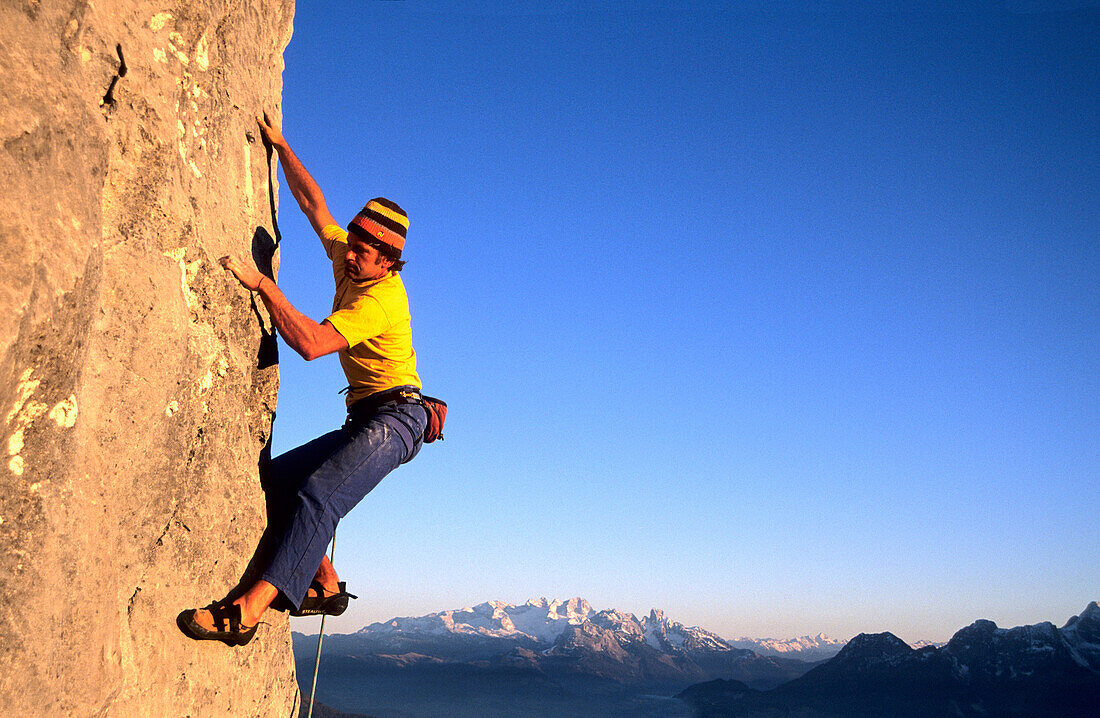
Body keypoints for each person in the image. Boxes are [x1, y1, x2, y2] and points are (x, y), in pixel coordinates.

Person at [179, 112, 427, 645]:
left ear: (389, 261)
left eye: (365, 249)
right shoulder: (351, 259)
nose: (352, 251)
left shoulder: (381, 299)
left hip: (398, 418)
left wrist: (265, 286)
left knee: (318, 494)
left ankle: (244, 613)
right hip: (366, 415)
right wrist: (282, 146)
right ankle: (323, 585)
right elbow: (316, 208)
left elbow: (313, 345)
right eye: (355, 241)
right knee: (279, 480)